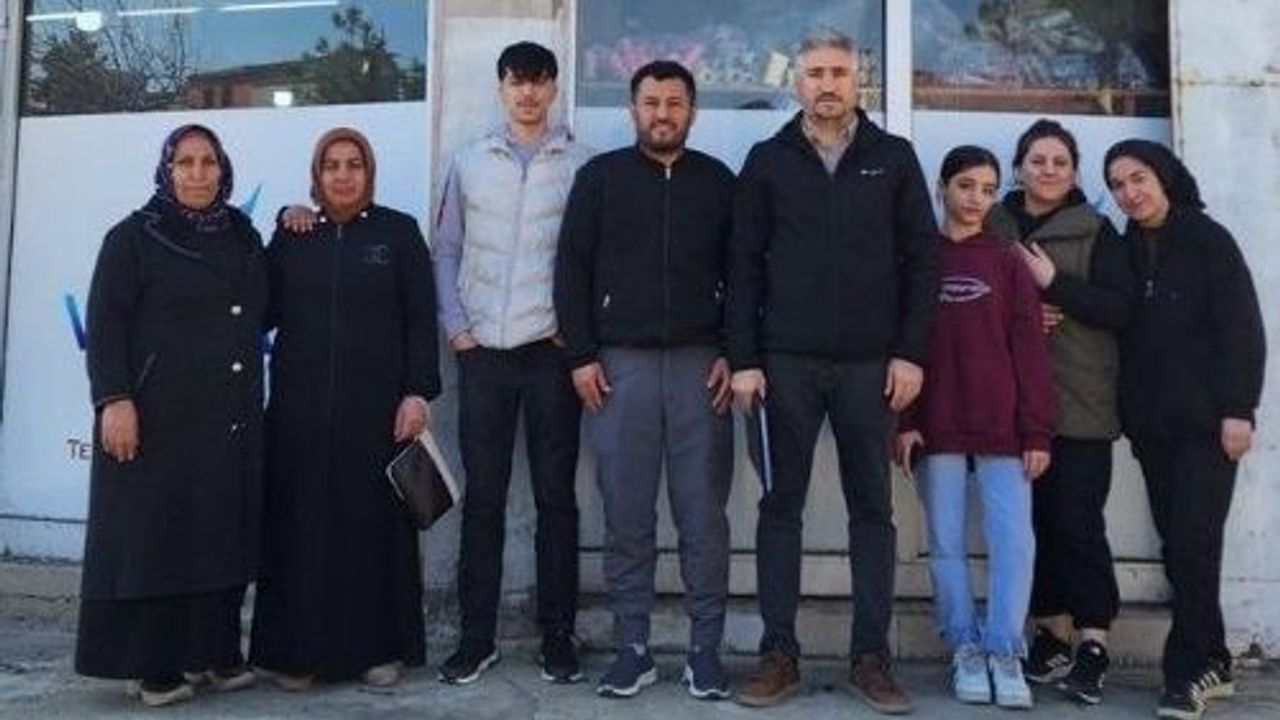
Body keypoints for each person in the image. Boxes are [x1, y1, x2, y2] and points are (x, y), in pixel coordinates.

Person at [727, 29, 939, 715]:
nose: (826, 84)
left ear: (858, 79)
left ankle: (871, 659)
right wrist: (745, 360)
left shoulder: (893, 158)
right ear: (798, 82)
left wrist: (910, 352)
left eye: (838, 72)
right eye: (815, 72)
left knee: (872, 510)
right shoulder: (768, 160)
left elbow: (923, 262)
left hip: (869, 366)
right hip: (783, 364)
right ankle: (778, 656)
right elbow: (742, 265)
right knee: (779, 508)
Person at [555, 60, 736, 701]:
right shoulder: (600, 179)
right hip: (618, 369)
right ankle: (632, 648)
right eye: (651, 102)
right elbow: (571, 269)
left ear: (692, 110)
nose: (663, 114)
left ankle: (704, 652)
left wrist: (733, 352)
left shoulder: (718, 182)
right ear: (632, 109)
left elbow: (744, 273)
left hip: (701, 368)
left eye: (674, 103)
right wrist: (581, 356)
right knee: (626, 515)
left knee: (703, 518)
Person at [77, 124, 267, 707]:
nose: (198, 173)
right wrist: (114, 399)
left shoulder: (242, 234)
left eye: (209, 162)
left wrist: (298, 222)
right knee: (154, 540)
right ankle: (150, 664)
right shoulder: (133, 237)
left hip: (225, 414)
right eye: (185, 162)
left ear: (223, 169)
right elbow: (105, 325)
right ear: (167, 170)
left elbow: (264, 306)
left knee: (216, 533)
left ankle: (210, 652)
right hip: (155, 416)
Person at [249, 127, 439, 689]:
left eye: (354, 164)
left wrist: (417, 391)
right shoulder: (294, 237)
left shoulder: (398, 233)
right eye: (331, 165)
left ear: (369, 172)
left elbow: (420, 318)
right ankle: (296, 656)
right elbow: (257, 309)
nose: (342, 175)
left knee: (371, 532)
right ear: (317, 174)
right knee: (300, 531)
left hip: (378, 414)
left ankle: (378, 650)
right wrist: (280, 221)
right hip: (299, 414)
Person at [432, 41, 593, 685]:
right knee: (483, 501)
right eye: (515, 82)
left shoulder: (582, 164)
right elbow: (446, 248)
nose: (527, 93)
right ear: (501, 88)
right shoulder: (470, 161)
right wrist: (458, 329)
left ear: (553, 88)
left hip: (551, 355)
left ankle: (559, 636)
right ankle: (476, 638)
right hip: (484, 357)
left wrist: (575, 335)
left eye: (538, 81)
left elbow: (593, 258)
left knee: (556, 500)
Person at [1103, 140, 1265, 720]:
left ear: (1165, 177)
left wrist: (1239, 410)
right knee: (1180, 548)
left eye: (1138, 178)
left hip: (1208, 427)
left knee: (1194, 545)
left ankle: (1186, 672)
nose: (1129, 193)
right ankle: (1214, 657)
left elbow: (1242, 328)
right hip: (1153, 427)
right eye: (1117, 184)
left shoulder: (1207, 240)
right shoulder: (1125, 248)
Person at [897, 145, 1057, 709]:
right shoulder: (919, 259)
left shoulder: (1007, 261)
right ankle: (965, 645)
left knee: (1014, 541)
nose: (976, 199)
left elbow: (1030, 352)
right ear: (941, 188)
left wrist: (1037, 431)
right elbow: (903, 346)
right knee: (944, 541)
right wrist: (905, 420)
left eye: (989, 190)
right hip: (936, 420)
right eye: (966, 186)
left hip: (1002, 426)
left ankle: (1005, 648)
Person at [985, 118, 1134, 705]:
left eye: (1060, 162)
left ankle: (1093, 640)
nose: (1048, 170)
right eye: (1037, 160)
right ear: (1018, 168)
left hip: (1080, 398)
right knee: (1031, 524)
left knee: (1078, 522)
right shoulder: (992, 224)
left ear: (1074, 172)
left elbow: (1122, 309)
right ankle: (1050, 633)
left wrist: (1055, 288)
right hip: (1010, 402)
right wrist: (1020, 314)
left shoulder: (1097, 230)